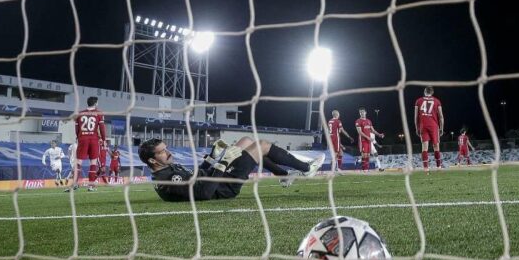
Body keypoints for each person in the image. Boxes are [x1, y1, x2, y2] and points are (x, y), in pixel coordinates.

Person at [139, 136, 325, 202]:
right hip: (224, 187)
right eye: (163, 152)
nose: (169, 153)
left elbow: (199, 176)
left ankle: (283, 175)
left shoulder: (165, 169)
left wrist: (213, 156)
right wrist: (223, 163)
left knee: (246, 141)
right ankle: (306, 168)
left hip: (218, 178)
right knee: (262, 145)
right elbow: (204, 193)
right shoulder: (168, 179)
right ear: (152, 160)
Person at [67, 96, 106, 192]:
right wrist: (104, 139)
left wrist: (79, 137)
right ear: (96, 103)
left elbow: (77, 129)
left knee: (78, 162)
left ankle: (75, 184)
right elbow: (102, 128)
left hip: (82, 138)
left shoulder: (80, 113)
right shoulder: (98, 113)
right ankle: (91, 186)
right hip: (93, 139)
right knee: (93, 162)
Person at [414, 86, 444, 172]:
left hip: (423, 126)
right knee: (436, 146)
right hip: (434, 126)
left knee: (424, 148)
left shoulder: (418, 101)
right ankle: (438, 167)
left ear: (424, 91)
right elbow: (441, 117)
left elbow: (416, 117)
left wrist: (417, 128)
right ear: (432, 92)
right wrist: (441, 128)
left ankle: (426, 168)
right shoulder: (437, 101)